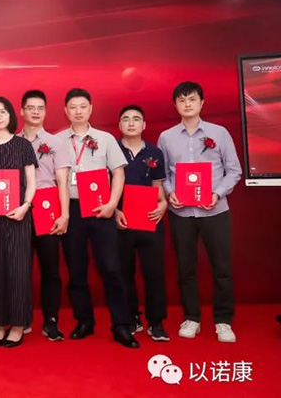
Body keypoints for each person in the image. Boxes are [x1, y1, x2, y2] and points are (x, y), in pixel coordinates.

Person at [158, 81, 242, 343]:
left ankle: (223, 321)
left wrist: (217, 193)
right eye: (182, 100)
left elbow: (234, 171)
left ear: (202, 102)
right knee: (186, 269)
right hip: (181, 213)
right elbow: (163, 173)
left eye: (192, 99)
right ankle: (192, 318)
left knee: (222, 268)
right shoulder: (166, 137)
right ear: (176, 105)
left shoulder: (220, 133)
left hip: (215, 211)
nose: (187, 104)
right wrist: (170, 192)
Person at [55, 88, 139, 348]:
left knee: (111, 268)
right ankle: (84, 321)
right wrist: (64, 213)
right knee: (76, 270)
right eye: (73, 107)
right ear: (66, 111)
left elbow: (119, 173)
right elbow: (57, 178)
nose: (78, 111)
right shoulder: (58, 140)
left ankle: (121, 325)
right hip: (72, 209)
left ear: (90, 108)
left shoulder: (106, 139)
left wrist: (112, 205)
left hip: (101, 209)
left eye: (83, 106)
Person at [0, 96, 36, 348]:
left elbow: (31, 182)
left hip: (17, 217)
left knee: (19, 269)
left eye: (2, 112)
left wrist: (25, 206)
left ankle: (19, 324)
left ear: (11, 115)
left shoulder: (23, 145)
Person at [16, 90, 72, 341]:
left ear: (46, 112)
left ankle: (51, 320)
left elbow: (62, 181)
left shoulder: (56, 142)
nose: (36, 112)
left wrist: (64, 214)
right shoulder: (12, 141)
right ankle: (22, 318)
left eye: (40, 108)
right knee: (20, 268)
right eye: (31, 107)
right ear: (22, 111)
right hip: (19, 209)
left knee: (50, 268)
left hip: (48, 208)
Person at [114, 105, 170, 342]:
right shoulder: (111, 149)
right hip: (121, 220)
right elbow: (105, 185)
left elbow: (158, 187)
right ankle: (131, 317)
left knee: (154, 273)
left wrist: (163, 204)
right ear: (119, 125)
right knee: (123, 273)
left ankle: (156, 322)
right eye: (126, 119)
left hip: (149, 219)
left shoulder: (154, 152)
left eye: (136, 119)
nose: (131, 123)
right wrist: (115, 211)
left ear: (144, 125)